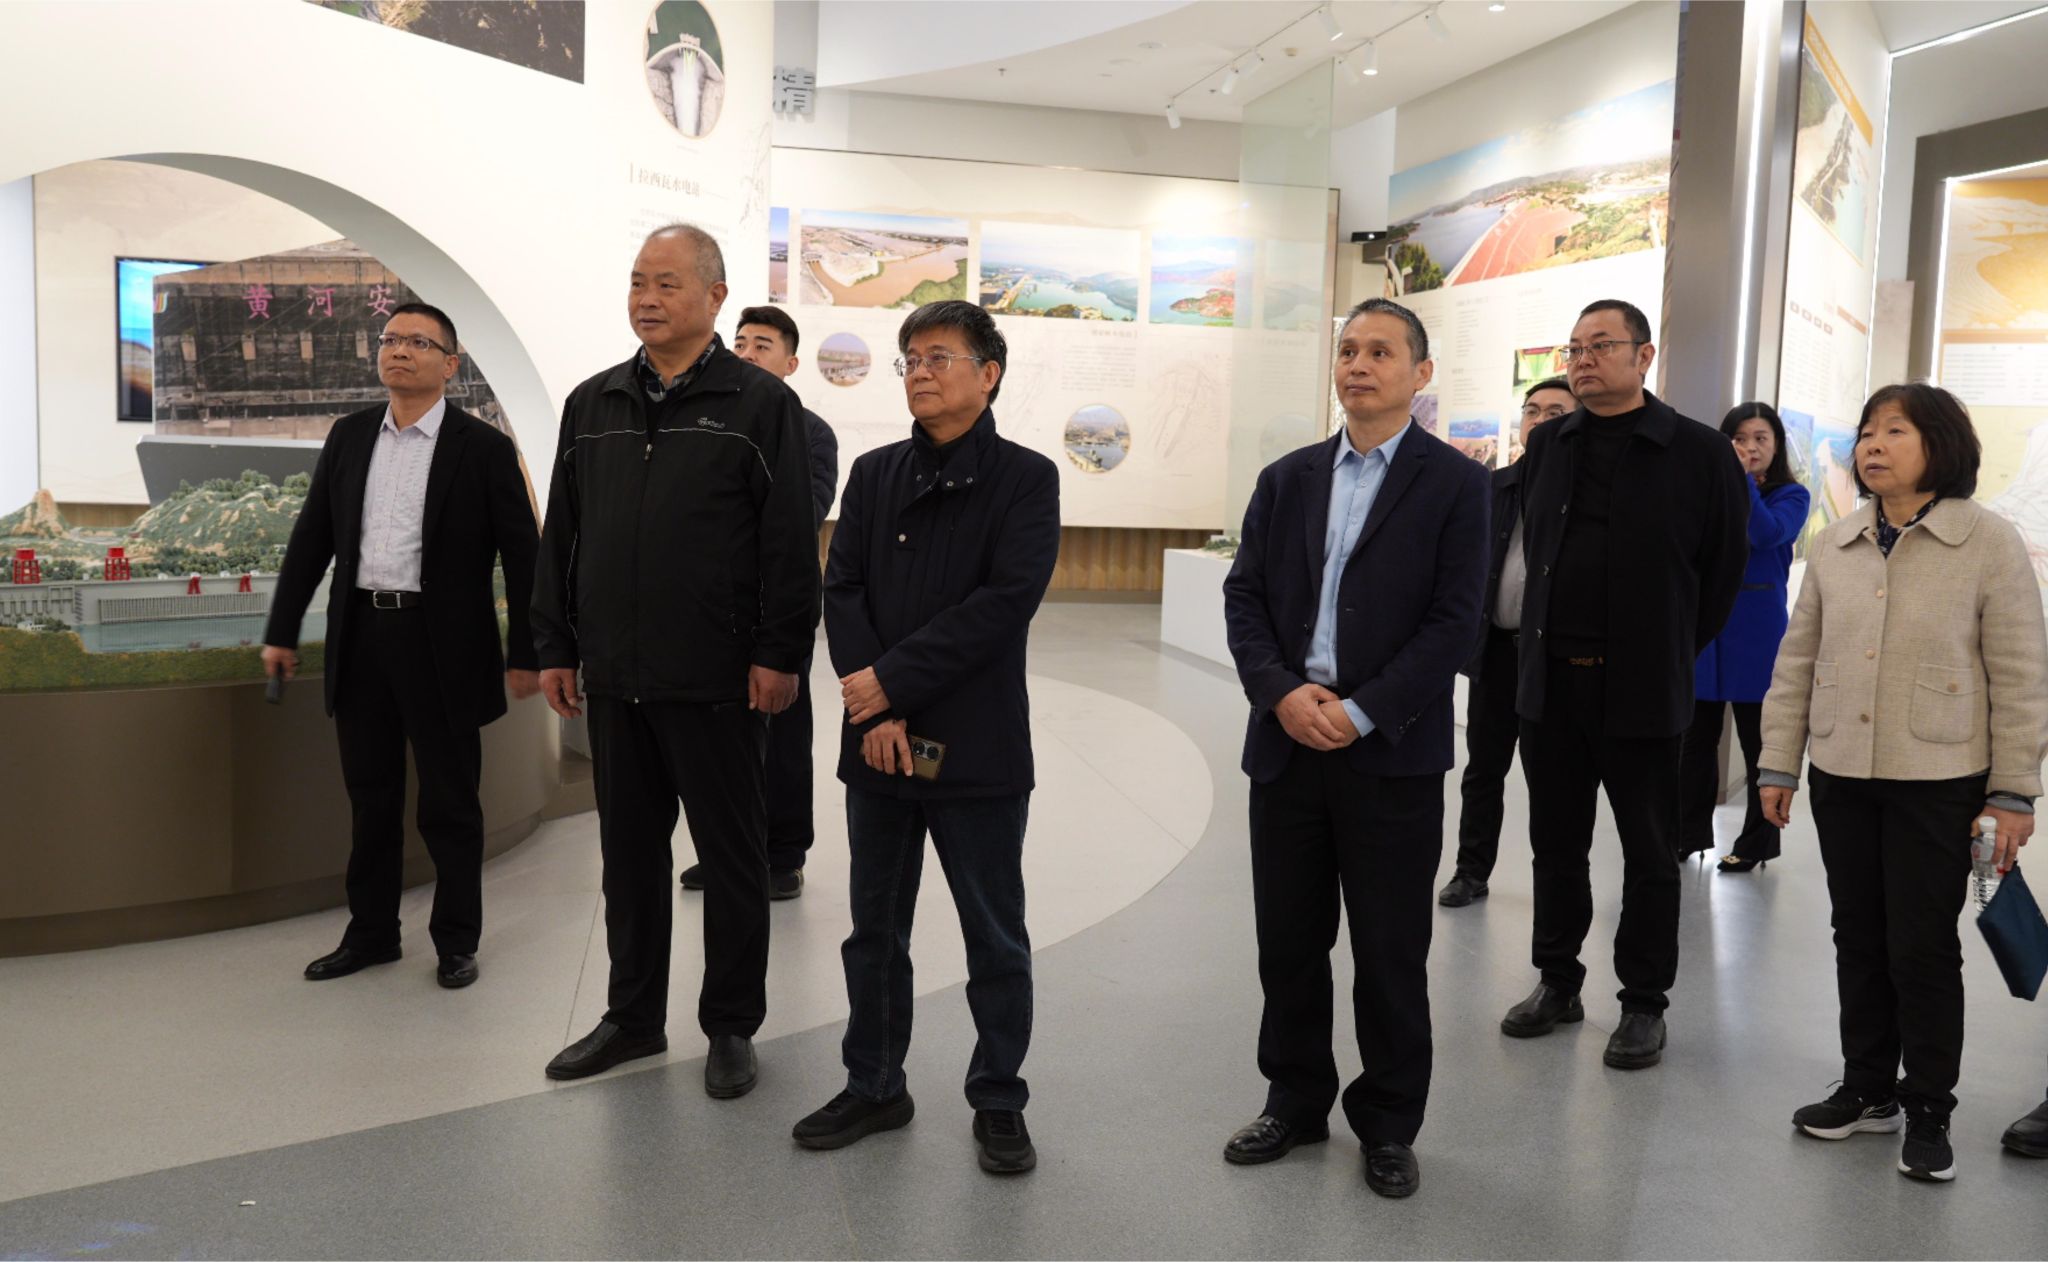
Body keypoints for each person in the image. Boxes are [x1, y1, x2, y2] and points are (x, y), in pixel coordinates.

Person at [530, 225, 819, 1095]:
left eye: (666, 283)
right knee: (628, 858)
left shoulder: (759, 404)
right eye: (637, 282)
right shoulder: (593, 403)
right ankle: (632, 1018)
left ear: (714, 297)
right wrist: (556, 643)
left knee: (731, 859)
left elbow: (787, 541)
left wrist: (779, 652)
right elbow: (563, 534)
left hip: (718, 677)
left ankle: (730, 1025)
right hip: (616, 676)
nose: (647, 299)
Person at [1219, 298, 1490, 1199]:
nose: (1359, 365)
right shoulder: (1287, 478)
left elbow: (1455, 622)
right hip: (1288, 744)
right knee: (1289, 944)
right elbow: (1245, 598)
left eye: (1381, 351)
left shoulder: (1457, 486)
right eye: (1347, 350)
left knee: (1388, 952)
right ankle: (1295, 1100)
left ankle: (1388, 1122)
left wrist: (1365, 710)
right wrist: (1281, 691)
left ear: (1421, 373)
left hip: (1390, 755)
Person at [791, 300, 1059, 1176]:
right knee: (873, 929)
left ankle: (999, 1097)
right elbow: (843, 589)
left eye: (940, 356)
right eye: (910, 358)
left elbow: (1003, 603)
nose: (919, 371)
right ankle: (874, 1084)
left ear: (990, 374)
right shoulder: (874, 474)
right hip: (879, 743)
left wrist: (892, 685)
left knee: (994, 934)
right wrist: (877, 712)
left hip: (977, 744)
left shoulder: (1026, 479)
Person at [1758, 383, 2047, 1183]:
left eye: (1895, 431)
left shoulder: (1989, 542)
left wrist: (2012, 793)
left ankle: (1929, 1107)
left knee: (1921, 947)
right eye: (1866, 432)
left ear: (1940, 445)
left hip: (1940, 777)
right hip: (1843, 772)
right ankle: (1868, 1088)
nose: (1873, 445)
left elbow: (2021, 677)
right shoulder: (1836, 542)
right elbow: (1796, 662)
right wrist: (1779, 762)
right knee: (1857, 935)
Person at [1499, 299, 1748, 1070]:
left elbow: (1721, 573)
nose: (1582, 359)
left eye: (1600, 345)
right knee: (1555, 845)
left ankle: (1644, 1003)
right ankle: (1557, 980)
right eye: (1574, 347)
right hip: (1551, 688)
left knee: (1649, 852)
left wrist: (1665, 648)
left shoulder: (1698, 452)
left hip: (1641, 689)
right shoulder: (1551, 444)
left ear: (1643, 357)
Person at [262, 302, 540, 991]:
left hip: (442, 646)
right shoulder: (351, 435)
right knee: (371, 797)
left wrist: (530, 652)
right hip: (362, 637)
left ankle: (456, 941)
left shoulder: (483, 449)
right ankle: (372, 934)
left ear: (450, 365)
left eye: (419, 342)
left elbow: (523, 557)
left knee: (450, 803)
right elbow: (312, 540)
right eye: (390, 339)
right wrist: (281, 631)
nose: (399, 351)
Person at [678, 304, 839, 900]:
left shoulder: (811, 432)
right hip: (709, 610)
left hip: (777, 607)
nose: (745, 352)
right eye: (740, 342)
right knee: (713, 739)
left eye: (762, 345)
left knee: (783, 736)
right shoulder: (705, 421)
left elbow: (803, 516)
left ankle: (783, 854)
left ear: (790, 363)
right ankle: (724, 852)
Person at [1440, 376, 1575, 908]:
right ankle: (1470, 871)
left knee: (1552, 780)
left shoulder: (1585, 492)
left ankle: (1556, 884)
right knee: (1483, 769)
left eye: (1556, 412)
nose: (1540, 421)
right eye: (1533, 411)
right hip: (1496, 652)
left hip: (1552, 660)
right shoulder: (1494, 486)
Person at [1679, 403, 1809, 871]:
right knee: (1695, 742)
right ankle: (1686, 834)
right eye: (1738, 439)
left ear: (1776, 446)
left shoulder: (1792, 495)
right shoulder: (1705, 488)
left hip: (1757, 635)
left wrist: (1741, 483)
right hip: (1707, 630)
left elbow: (1765, 534)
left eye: (1760, 439)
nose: (1749, 448)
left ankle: (1757, 844)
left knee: (1760, 747)